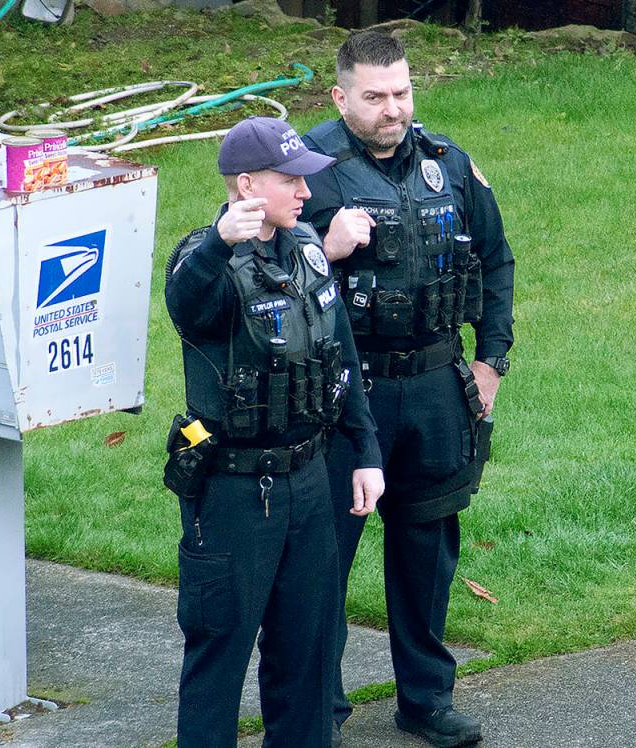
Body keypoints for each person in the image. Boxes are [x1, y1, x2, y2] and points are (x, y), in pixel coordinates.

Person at [301, 32, 515, 747]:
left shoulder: (448, 164)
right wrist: (321, 250)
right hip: (344, 393)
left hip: (434, 386)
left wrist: (490, 363)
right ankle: (316, 712)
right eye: (374, 97)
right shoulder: (306, 173)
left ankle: (426, 702)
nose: (392, 110)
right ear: (340, 97)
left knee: (428, 552)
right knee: (323, 557)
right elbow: (260, 279)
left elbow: (495, 260)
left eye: (401, 93)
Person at [164, 116, 385, 748]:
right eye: (291, 181)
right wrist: (216, 243)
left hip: (311, 480)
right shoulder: (203, 260)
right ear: (245, 186)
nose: (306, 193)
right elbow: (187, 306)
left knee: (308, 650)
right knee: (220, 652)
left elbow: (340, 359)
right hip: (235, 493)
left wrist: (365, 450)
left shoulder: (309, 248)